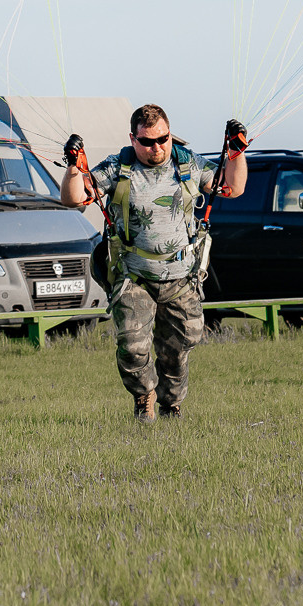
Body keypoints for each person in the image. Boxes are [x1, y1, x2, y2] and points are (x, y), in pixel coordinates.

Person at [58, 107, 246, 422]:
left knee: (179, 348)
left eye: (163, 139)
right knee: (132, 346)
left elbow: (232, 188)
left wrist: (236, 154)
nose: (156, 147)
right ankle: (144, 394)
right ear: (133, 138)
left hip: (180, 277)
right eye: (147, 142)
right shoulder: (119, 166)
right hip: (134, 276)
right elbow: (74, 198)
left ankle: (171, 403)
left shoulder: (188, 163)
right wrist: (74, 169)